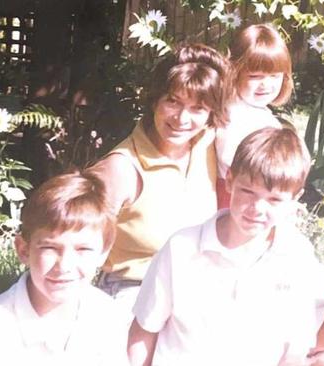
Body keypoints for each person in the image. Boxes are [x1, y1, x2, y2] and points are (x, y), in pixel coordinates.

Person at [127, 127, 324, 366]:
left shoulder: (297, 257)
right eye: (248, 191)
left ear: (295, 199)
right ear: (230, 181)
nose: (257, 208)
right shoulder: (182, 249)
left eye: (274, 199)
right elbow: (144, 329)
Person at [85, 43, 229, 352]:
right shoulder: (120, 168)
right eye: (173, 101)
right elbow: (76, 245)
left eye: (198, 108)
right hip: (132, 293)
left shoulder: (209, 144)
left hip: (197, 287)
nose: (182, 118)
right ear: (154, 101)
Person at [0, 171, 123, 366]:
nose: (64, 266)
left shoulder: (111, 318)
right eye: (49, 248)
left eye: (83, 249)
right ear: (23, 250)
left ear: (103, 253)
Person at [215, 23, 294, 208]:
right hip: (238, 199)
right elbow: (233, 160)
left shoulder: (255, 111)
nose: (266, 85)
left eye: (274, 76)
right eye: (255, 76)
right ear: (235, 74)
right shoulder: (234, 114)